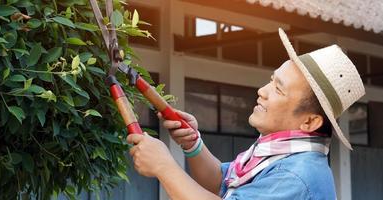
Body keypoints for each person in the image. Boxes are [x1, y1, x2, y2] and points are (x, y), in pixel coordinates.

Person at [127, 28, 365, 200]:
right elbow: (222, 182)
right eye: (271, 81)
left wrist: (164, 167)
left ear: (310, 121)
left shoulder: (295, 175)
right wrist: (193, 144)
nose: (262, 91)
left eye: (278, 89)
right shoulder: (276, 154)